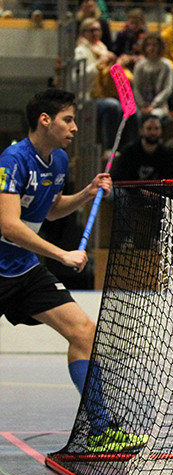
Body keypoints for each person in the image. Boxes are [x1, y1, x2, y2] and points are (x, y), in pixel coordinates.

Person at [0, 88, 146, 453]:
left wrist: (87, 193)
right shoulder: (13, 159)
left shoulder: (59, 161)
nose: (75, 127)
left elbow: (50, 210)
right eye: (68, 119)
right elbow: (9, 225)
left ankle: (100, 430)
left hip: (24, 270)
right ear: (45, 120)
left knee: (84, 332)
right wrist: (61, 255)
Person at [73, 17, 123, 151]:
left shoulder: (102, 48)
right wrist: (99, 63)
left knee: (131, 109)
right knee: (112, 106)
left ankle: (125, 150)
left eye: (98, 30)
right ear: (83, 33)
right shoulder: (81, 51)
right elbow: (79, 77)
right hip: (87, 97)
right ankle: (109, 148)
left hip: (104, 93)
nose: (95, 33)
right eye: (92, 30)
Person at [112, 115, 173, 182]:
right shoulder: (129, 152)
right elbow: (120, 178)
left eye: (157, 128)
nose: (153, 132)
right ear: (141, 130)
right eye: (149, 128)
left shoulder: (169, 155)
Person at [132, 33, 173, 123]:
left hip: (159, 106)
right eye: (148, 45)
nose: (151, 48)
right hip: (141, 105)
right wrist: (142, 105)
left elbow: (167, 89)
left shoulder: (166, 65)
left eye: (154, 45)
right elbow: (136, 88)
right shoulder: (140, 65)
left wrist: (153, 105)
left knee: (154, 116)